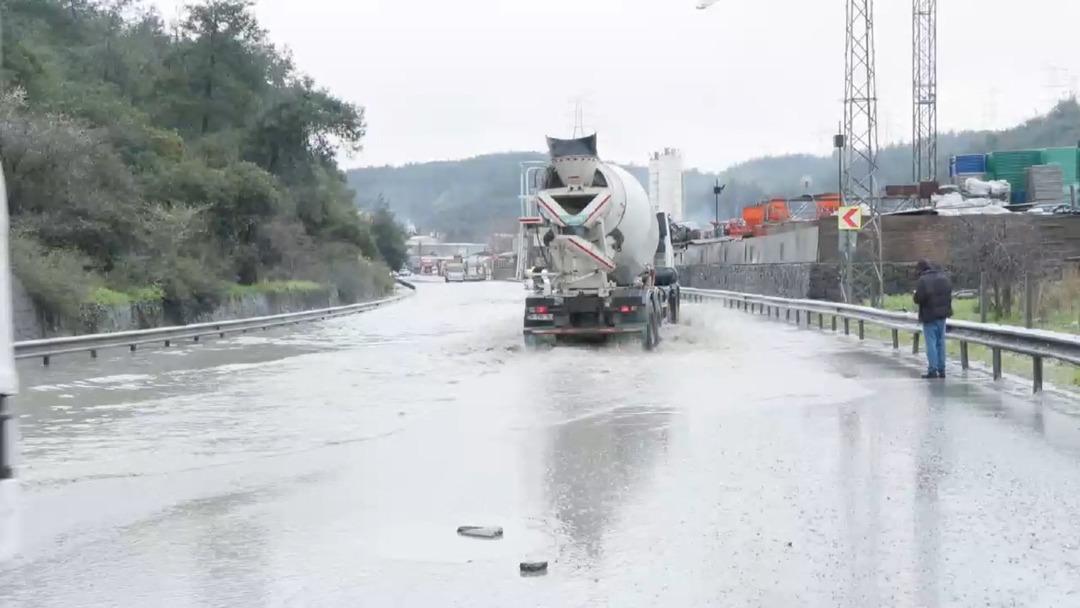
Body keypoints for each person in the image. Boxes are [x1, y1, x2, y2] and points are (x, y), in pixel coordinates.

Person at [913, 259, 953, 379]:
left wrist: (915, 294)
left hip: (929, 315)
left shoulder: (923, 280)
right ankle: (942, 369)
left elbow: (918, 298)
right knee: (941, 342)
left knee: (931, 343)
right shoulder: (944, 278)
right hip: (943, 316)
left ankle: (933, 370)